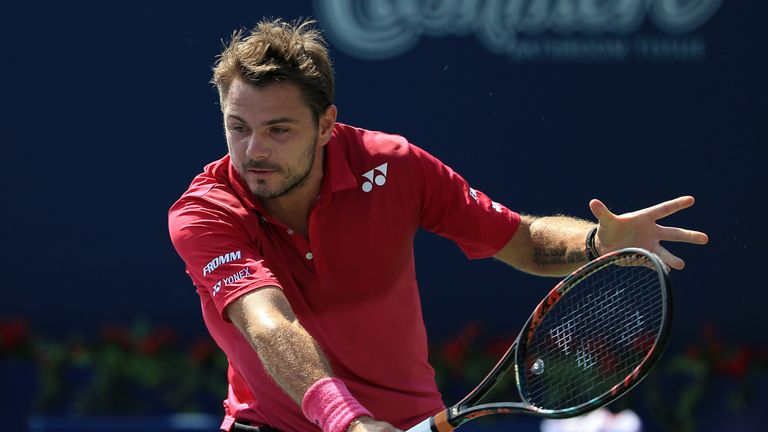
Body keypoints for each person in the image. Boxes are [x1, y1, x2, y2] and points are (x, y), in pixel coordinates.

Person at [168, 18, 708, 432]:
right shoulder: (205, 212)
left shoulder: (395, 166)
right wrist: (348, 422)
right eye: (237, 128)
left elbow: (518, 239)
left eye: (278, 129)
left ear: (327, 125)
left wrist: (593, 241)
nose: (253, 151)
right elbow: (268, 323)